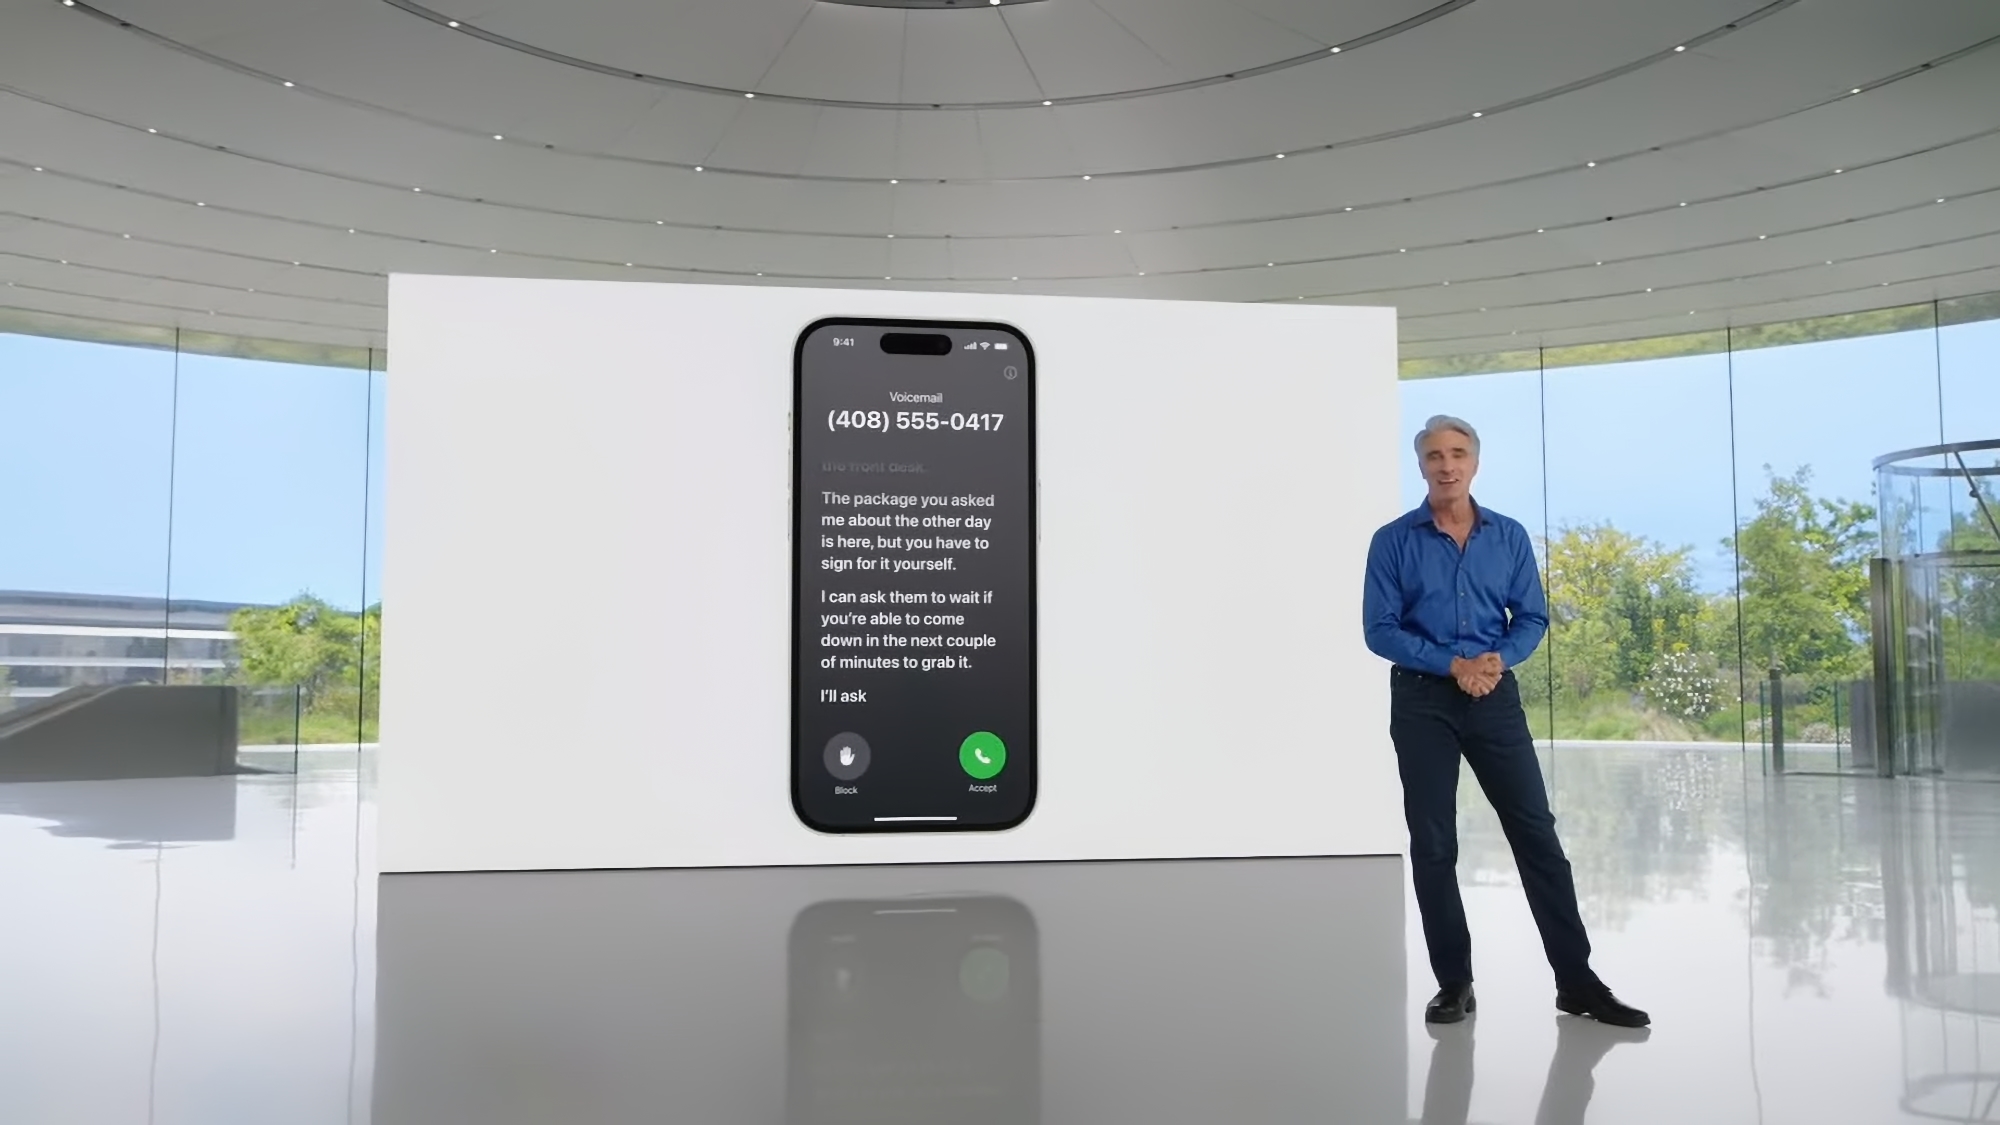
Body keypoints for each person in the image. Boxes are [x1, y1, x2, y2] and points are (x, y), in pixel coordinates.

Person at [1363, 415, 1648, 1028]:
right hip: (1420, 702)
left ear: (1475, 462)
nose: (1447, 464)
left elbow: (1533, 618)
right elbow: (1379, 629)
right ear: (1421, 466)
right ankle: (1454, 982)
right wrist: (1452, 664)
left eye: (1457, 453)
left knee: (1537, 836)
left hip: (1493, 697)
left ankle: (1576, 981)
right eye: (1434, 455)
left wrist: (1493, 662)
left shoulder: (1510, 537)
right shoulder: (1392, 541)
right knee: (1435, 843)